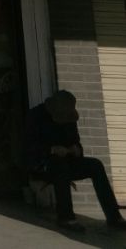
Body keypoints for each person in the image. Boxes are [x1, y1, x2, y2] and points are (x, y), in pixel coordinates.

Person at [26, 90, 126, 232]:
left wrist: (76, 149)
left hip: (68, 161)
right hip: (43, 163)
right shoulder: (36, 116)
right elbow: (29, 148)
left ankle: (114, 216)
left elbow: (75, 141)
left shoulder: (69, 118)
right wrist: (51, 149)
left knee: (96, 165)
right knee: (60, 166)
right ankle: (66, 217)